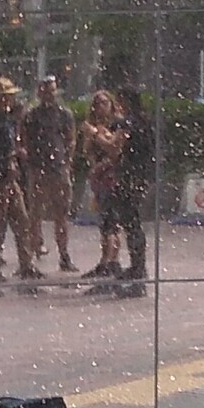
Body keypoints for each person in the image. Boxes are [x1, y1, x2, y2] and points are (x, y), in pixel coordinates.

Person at [0, 77, 40, 282]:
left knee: (22, 220)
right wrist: (8, 160)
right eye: (9, 96)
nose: (12, 99)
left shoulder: (6, 118)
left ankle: (26, 264)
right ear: (0, 98)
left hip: (9, 178)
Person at [100, 85, 153, 298]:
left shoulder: (128, 122)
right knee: (133, 222)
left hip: (131, 175)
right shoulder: (145, 121)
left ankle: (138, 269)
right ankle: (137, 266)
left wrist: (96, 134)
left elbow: (114, 147)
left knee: (131, 222)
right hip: (143, 174)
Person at [22, 75, 77, 272]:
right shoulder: (32, 115)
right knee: (35, 214)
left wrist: (67, 162)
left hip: (59, 169)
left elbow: (71, 139)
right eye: (45, 91)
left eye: (52, 90)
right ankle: (33, 251)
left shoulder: (64, 114)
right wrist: (30, 161)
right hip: (38, 170)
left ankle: (64, 255)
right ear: (39, 92)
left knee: (61, 214)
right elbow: (24, 138)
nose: (49, 94)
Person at [80, 89, 123, 279]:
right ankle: (105, 260)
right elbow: (87, 151)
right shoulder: (95, 125)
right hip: (99, 179)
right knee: (104, 222)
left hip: (113, 177)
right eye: (96, 103)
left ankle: (113, 261)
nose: (100, 107)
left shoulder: (117, 124)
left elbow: (114, 150)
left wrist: (97, 134)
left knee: (112, 222)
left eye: (104, 102)